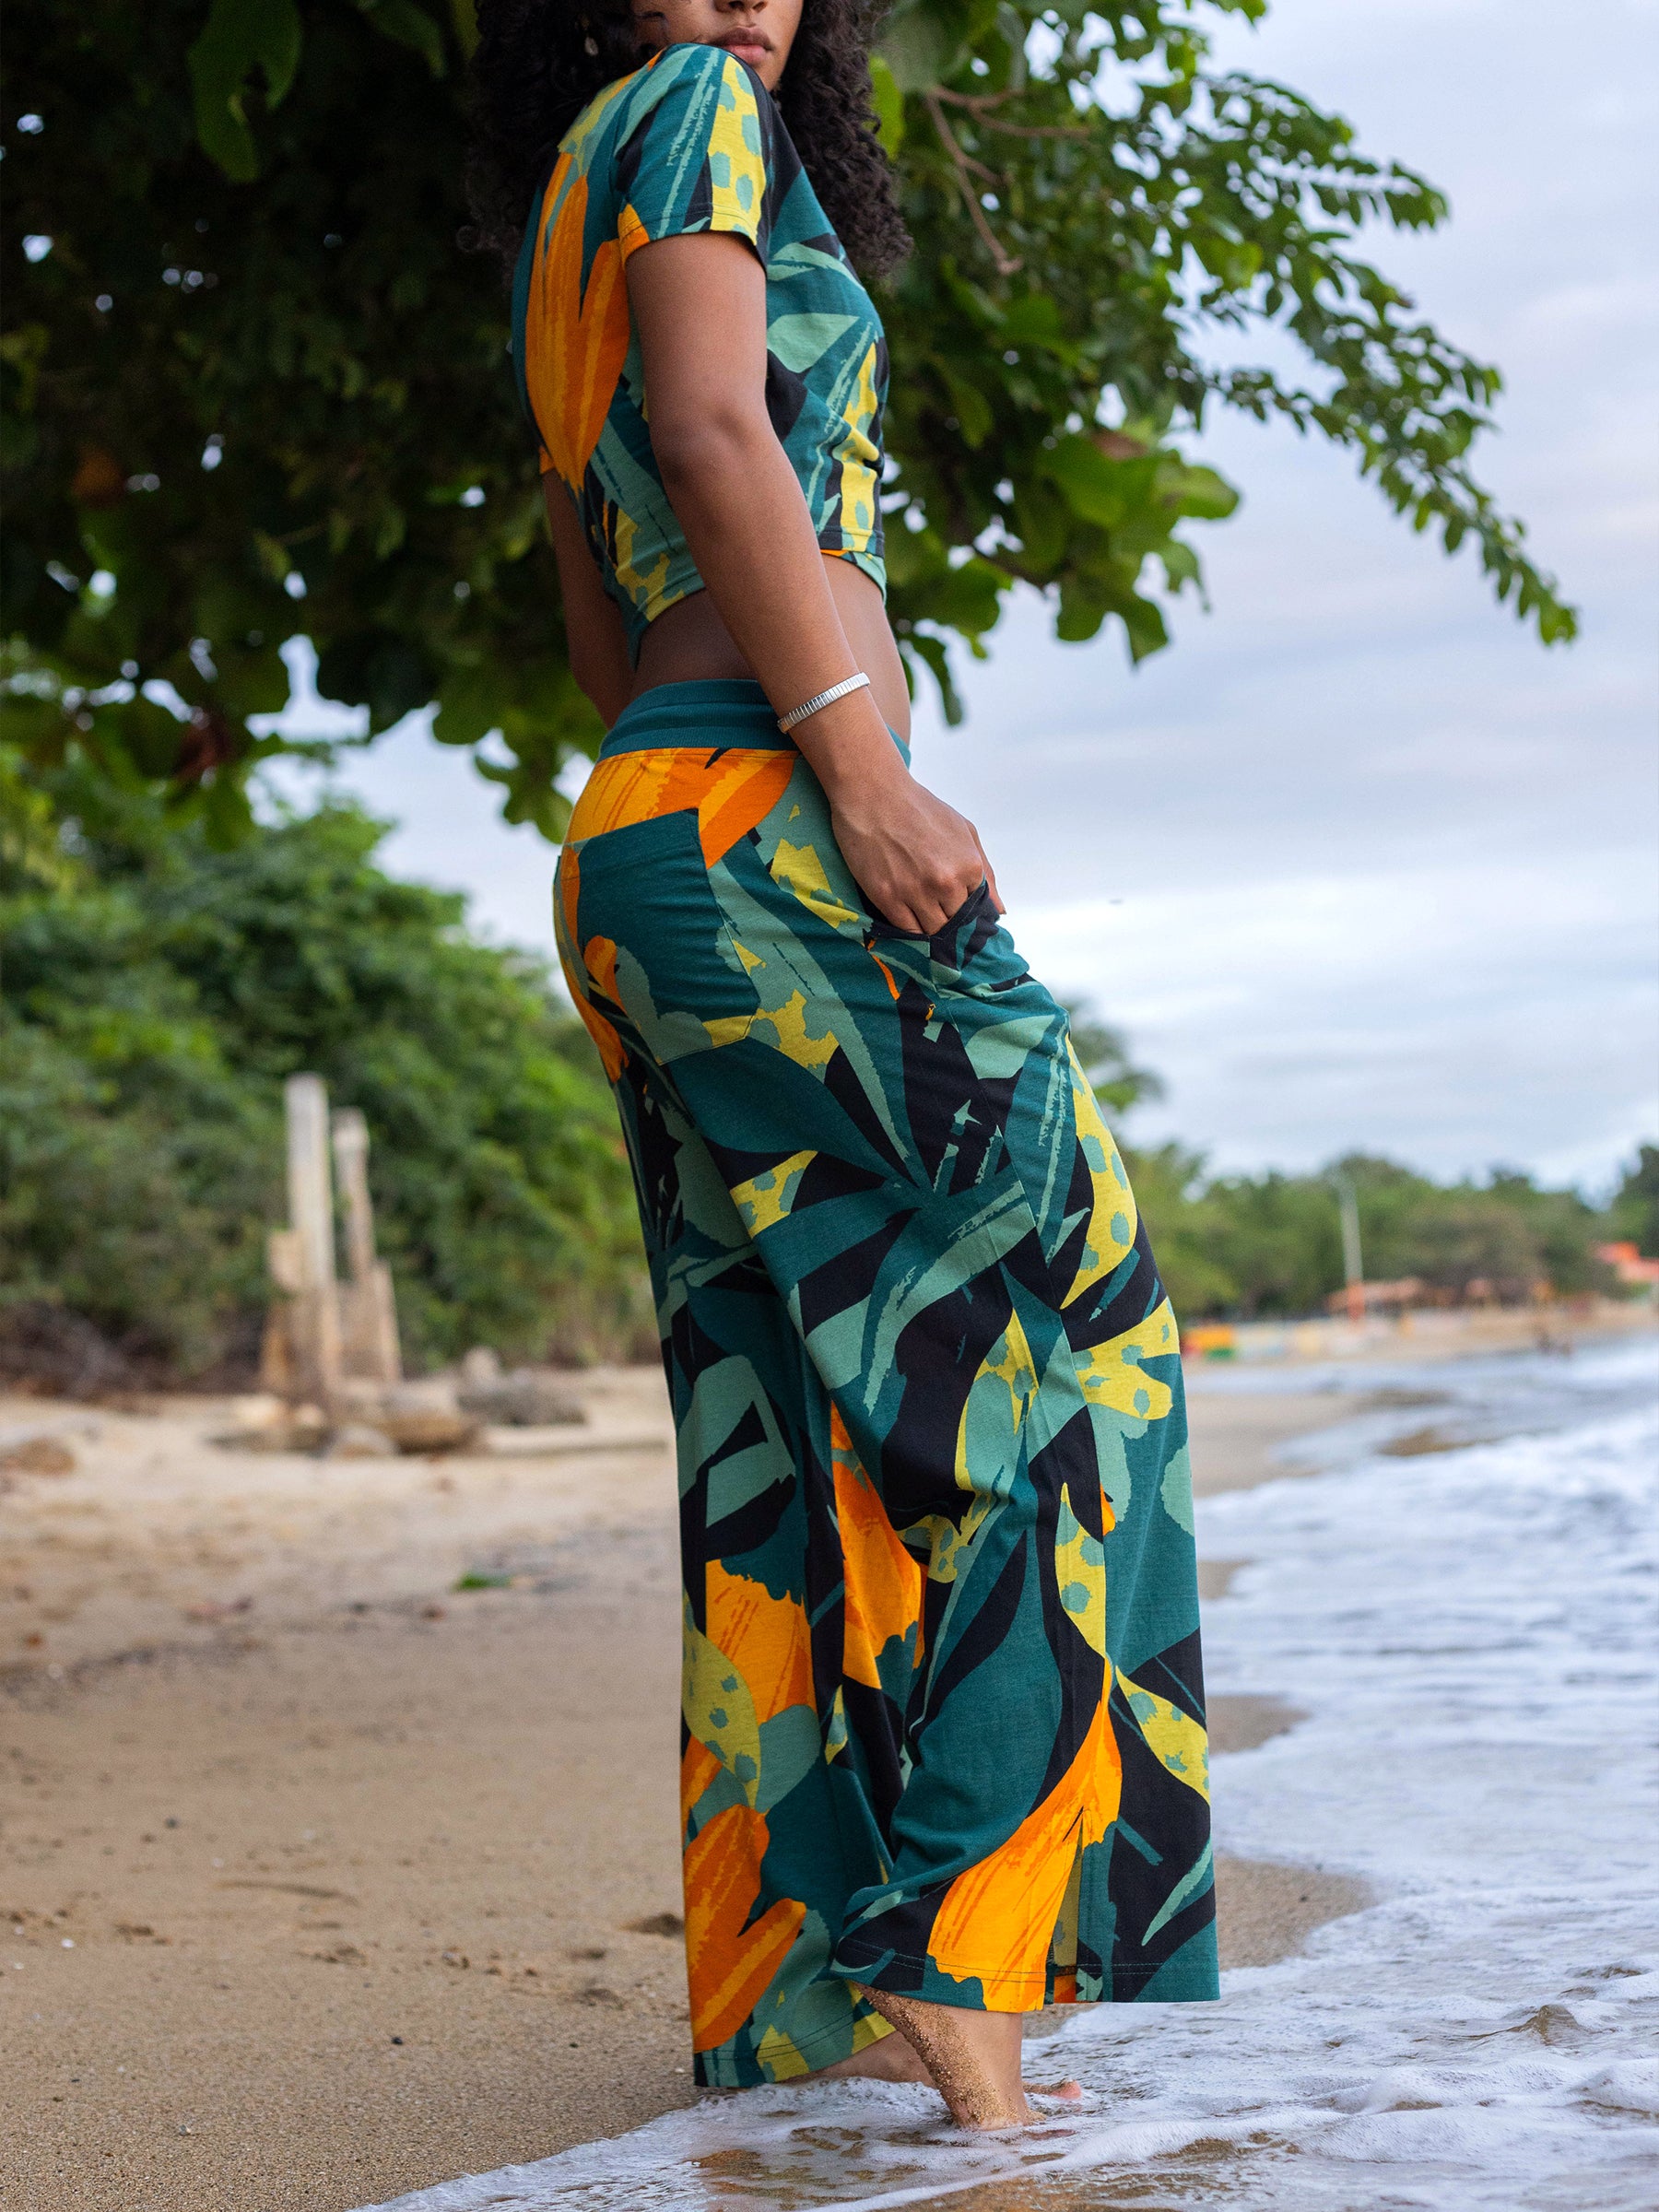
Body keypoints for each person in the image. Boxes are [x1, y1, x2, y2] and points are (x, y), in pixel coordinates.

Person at [468, 0, 1218, 2130]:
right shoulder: (696, 109)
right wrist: (859, 768)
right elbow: (716, 441)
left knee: (789, 1421)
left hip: (643, 827)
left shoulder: (571, 187)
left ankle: (818, 1990)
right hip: (753, 818)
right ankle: (956, 1945)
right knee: (1089, 1334)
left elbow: (594, 603)